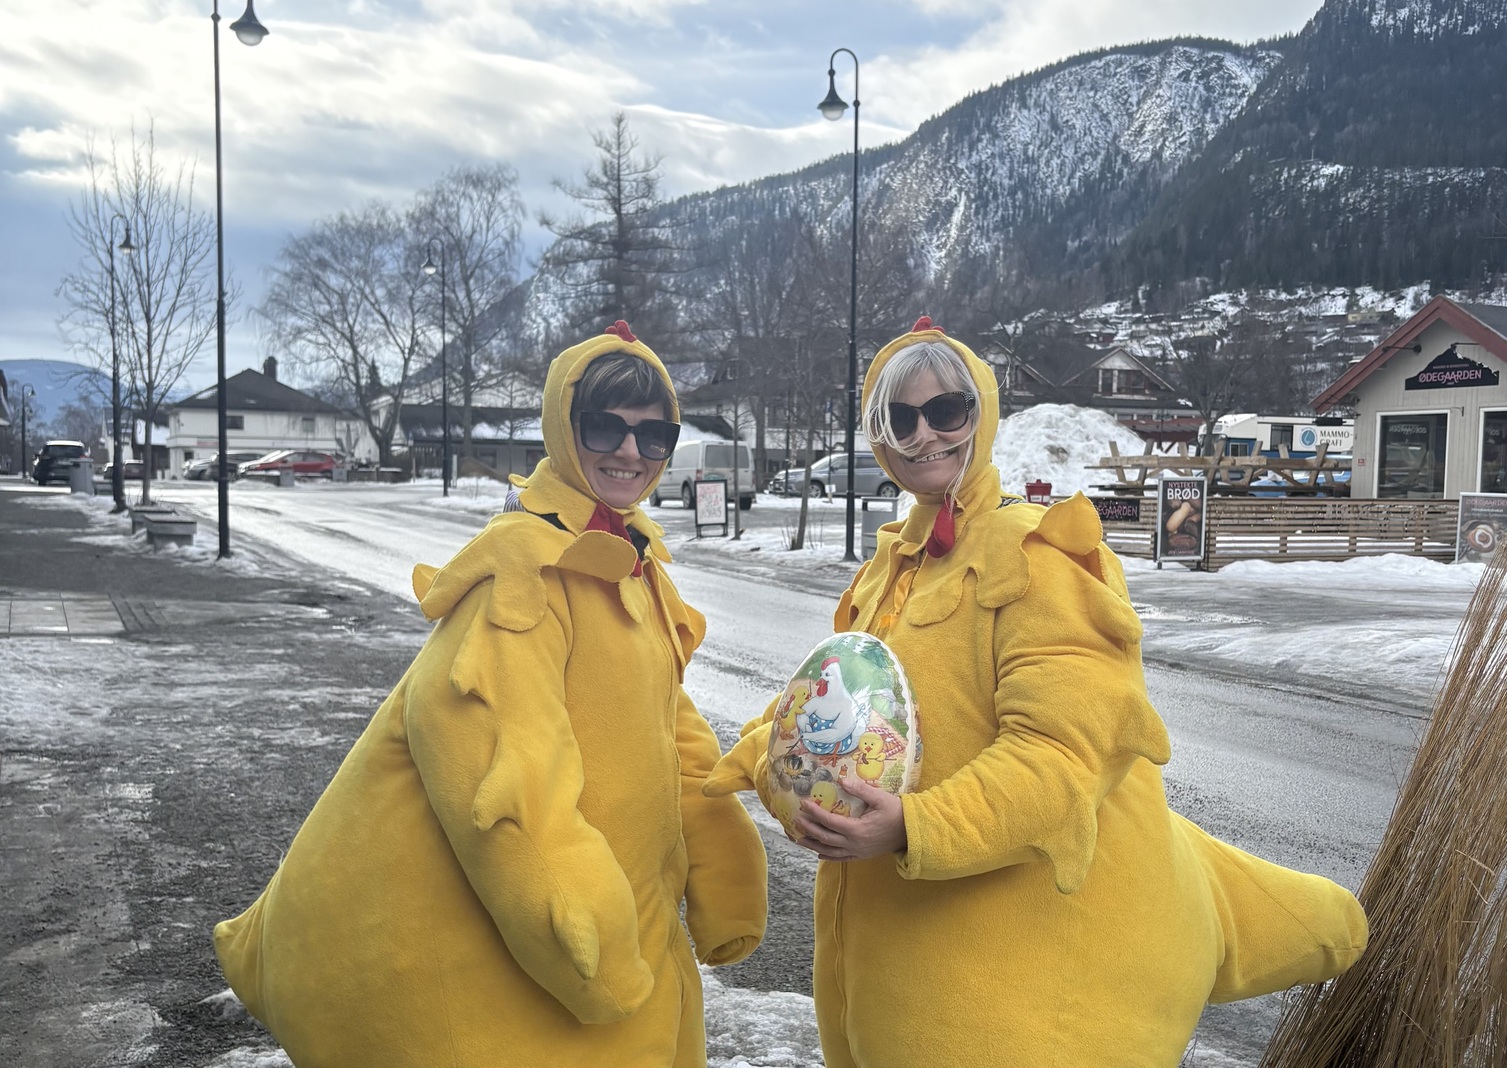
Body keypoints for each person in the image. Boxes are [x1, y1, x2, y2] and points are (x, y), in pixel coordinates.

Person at [707, 317, 1366, 1067]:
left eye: (947, 411)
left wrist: (915, 828)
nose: (925, 435)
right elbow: (837, 701)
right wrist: (769, 757)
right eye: (901, 416)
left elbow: (1062, 755)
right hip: (887, 984)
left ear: (980, 416)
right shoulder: (889, 567)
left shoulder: (1038, 552)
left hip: (1017, 1006)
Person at [214, 321, 768, 1067]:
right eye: (605, 426)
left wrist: (722, 868)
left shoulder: (633, 567)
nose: (630, 452)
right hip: (534, 983)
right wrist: (593, 951)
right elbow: (503, 781)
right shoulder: (524, 575)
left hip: (638, 943)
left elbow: (671, 724)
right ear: (562, 430)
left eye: (654, 434)